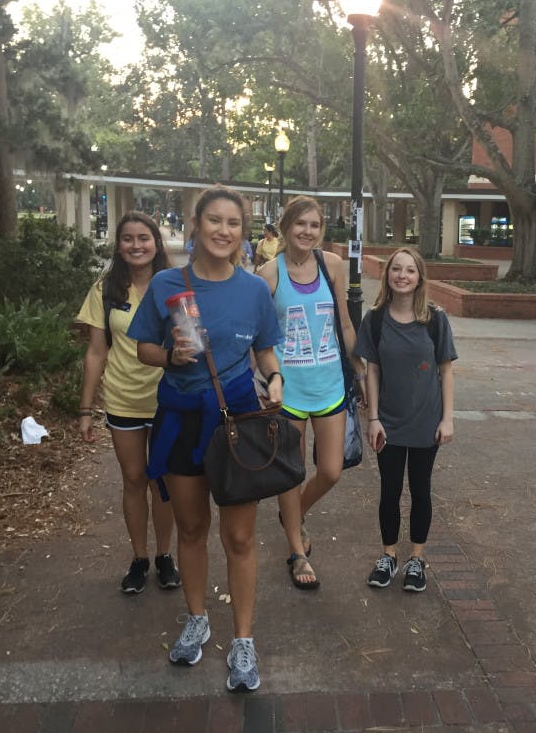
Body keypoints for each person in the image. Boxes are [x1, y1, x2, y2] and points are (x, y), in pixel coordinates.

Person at [127, 185, 284, 692]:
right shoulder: (167, 285)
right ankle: (196, 618)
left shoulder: (256, 290)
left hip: (236, 417)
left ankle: (243, 640)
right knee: (191, 530)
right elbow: (142, 349)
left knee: (238, 535)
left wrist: (275, 378)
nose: (223, 230)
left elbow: (266, 350)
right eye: (214, 220)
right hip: (180, 417)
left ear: (244, 231)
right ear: (196, 225)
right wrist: (170, 357)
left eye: (233, 223)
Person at [256, 196, 364, 590]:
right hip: (288, 392)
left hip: (330, 385)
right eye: (300, 224)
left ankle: (293, 513)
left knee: (332, 470)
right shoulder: (268, 274)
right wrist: (269, 379)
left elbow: (346, 325)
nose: (307, 231)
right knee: (292, 472)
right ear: (285, 227)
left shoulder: (331, 265)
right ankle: (297, 551)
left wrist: (360, 367)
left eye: (315, 225)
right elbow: (261, 339)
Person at [75, 211, 180, 595]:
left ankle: (165, 555)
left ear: (157, 242)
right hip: (123, 399)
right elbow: (96, 353)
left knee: (162, 480)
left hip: (169, 398)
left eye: (144, 238)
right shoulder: (105, 290)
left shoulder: (174, 286)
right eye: (128, 238)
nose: (136, 245)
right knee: (134, 479)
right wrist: (85, 410)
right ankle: (139, 558)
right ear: (118, 245)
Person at [354, 247, 457, 593]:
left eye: (409, 270)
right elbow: (372, 369)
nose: (402, 275)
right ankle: (388, 556)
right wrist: (374, 418)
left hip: (427, 422)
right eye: (396, 269)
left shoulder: (435, 319)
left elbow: (445, 370)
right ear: (387, 276)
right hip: (389, 423)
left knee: (421, 490)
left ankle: (416, 558)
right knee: (389, 490)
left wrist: (447, 419)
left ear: (419, 277)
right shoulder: (376, 319)